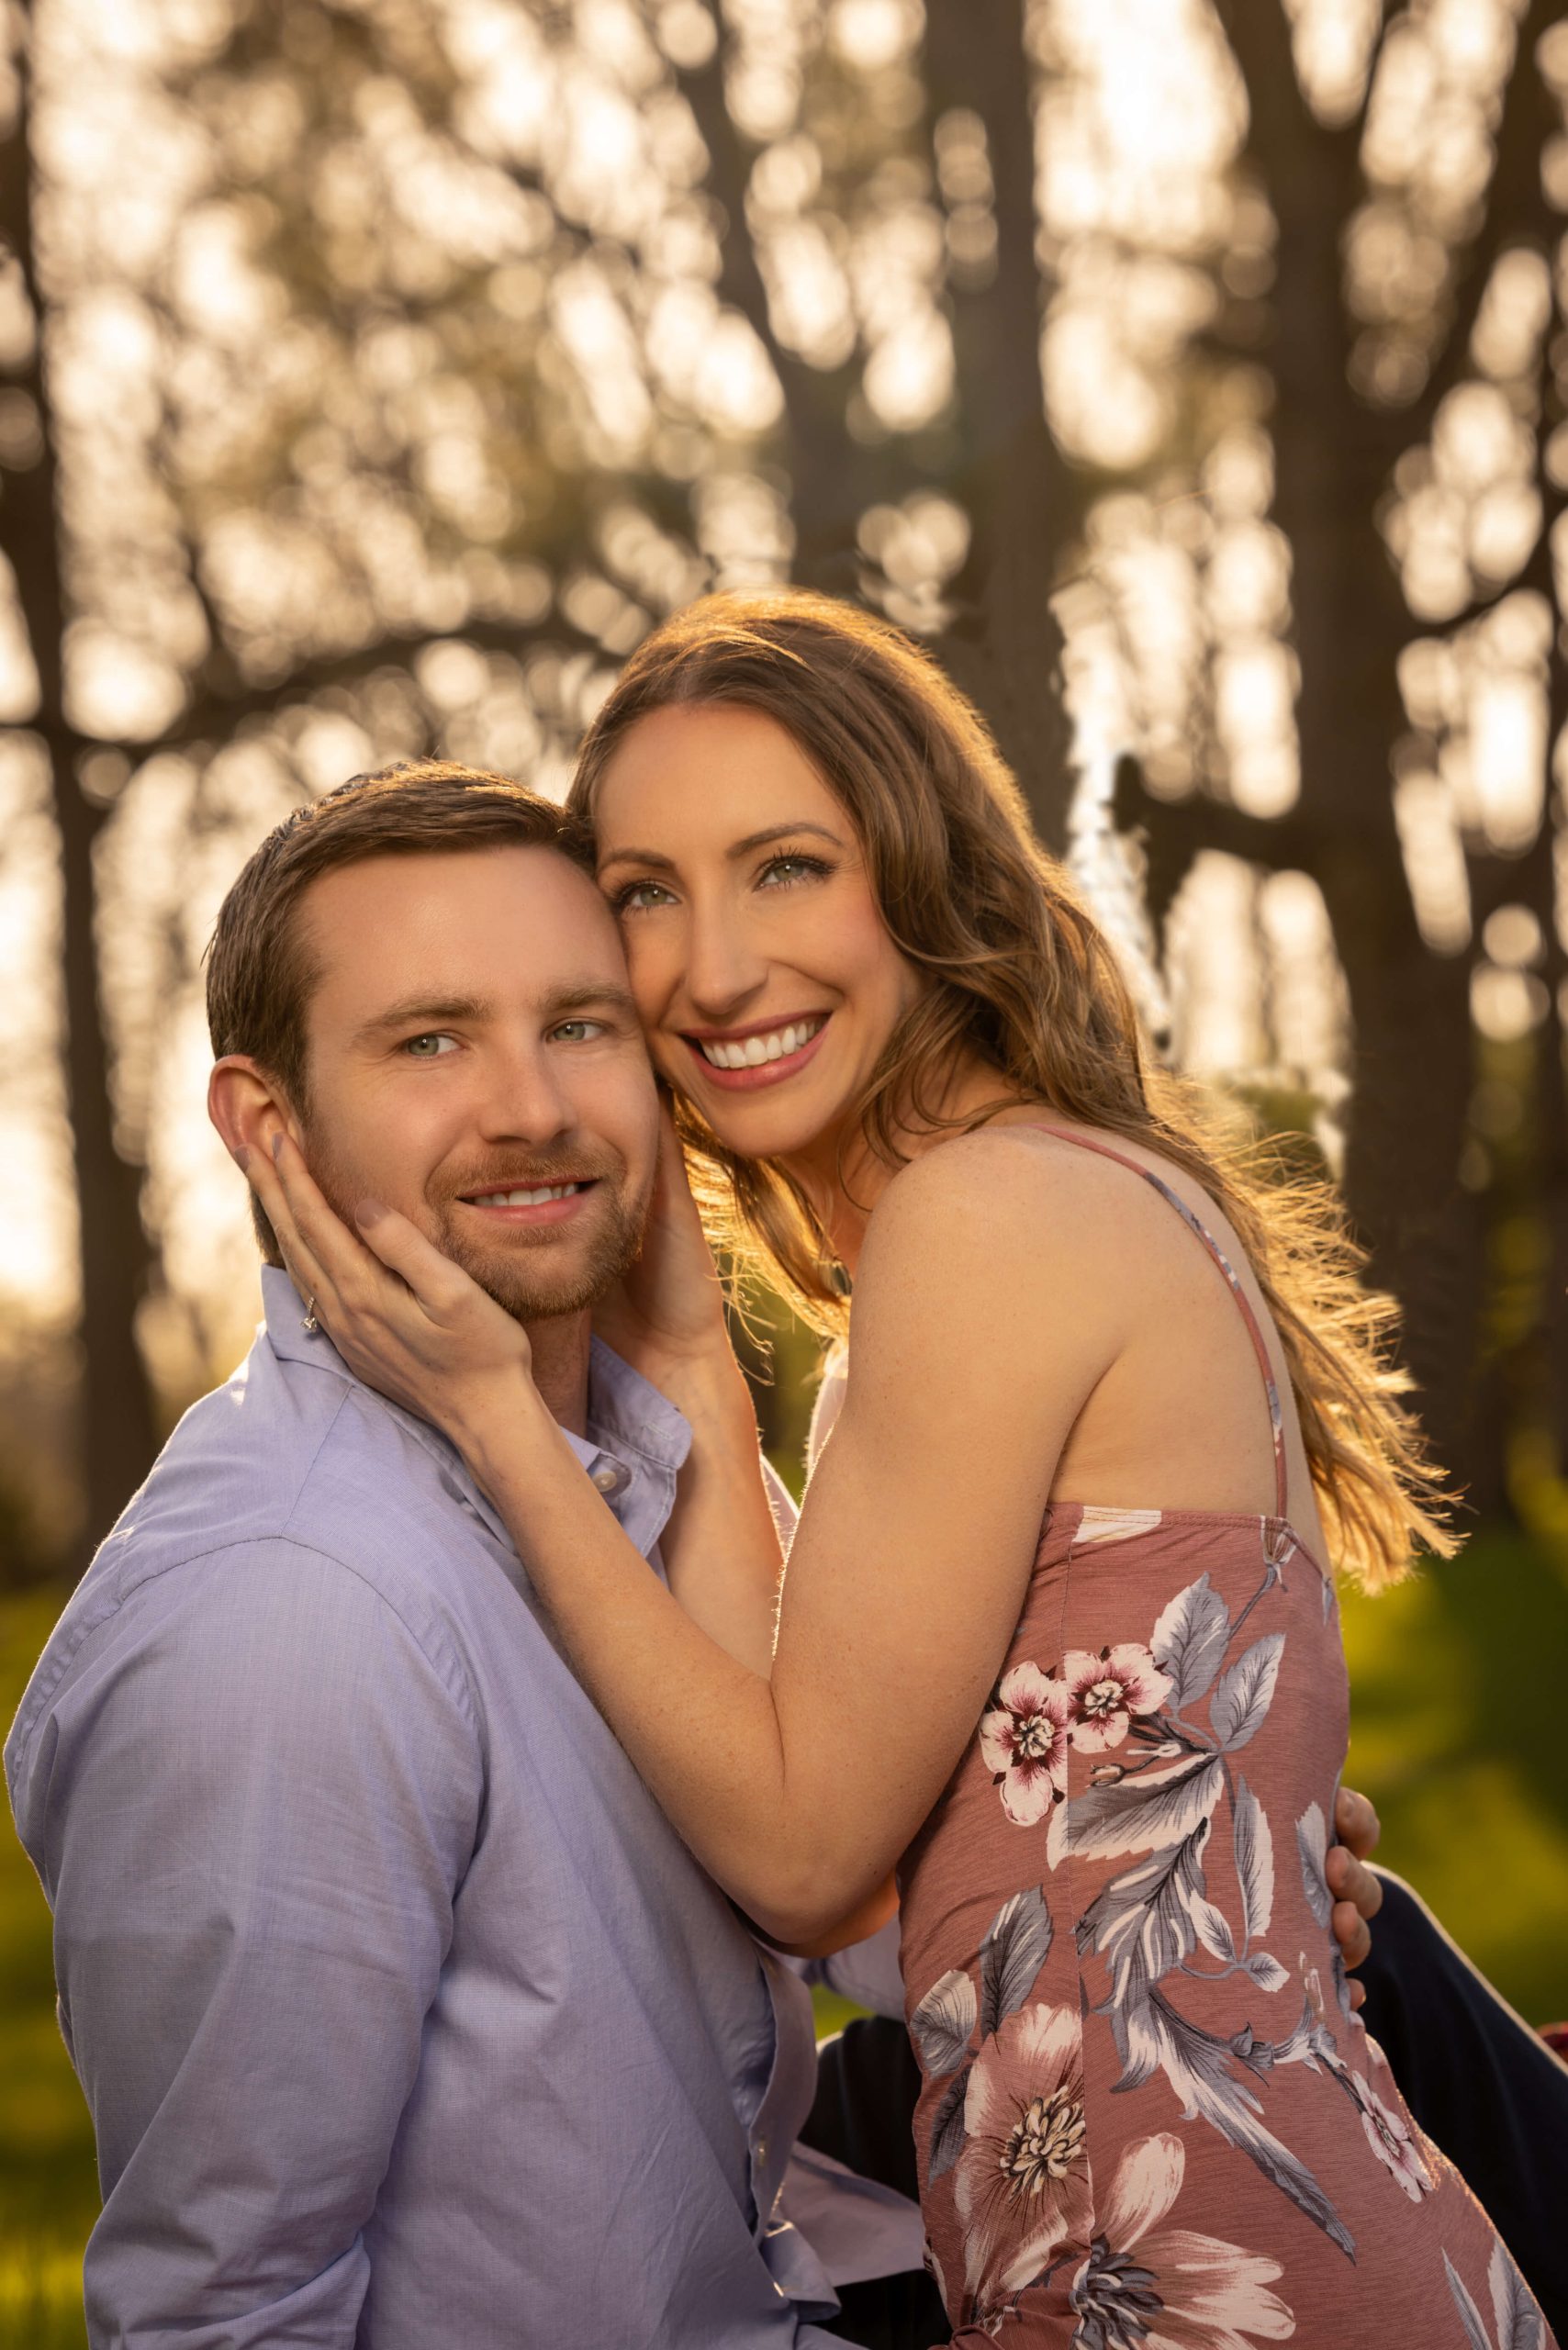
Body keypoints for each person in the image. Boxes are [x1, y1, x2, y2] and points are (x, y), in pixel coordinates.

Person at [248, 593, 1562, 2347]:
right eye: (645, 894)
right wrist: (704, 1371)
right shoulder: (1000, 1209)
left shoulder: (987, 1216)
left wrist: (499, 1417)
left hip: (1232, 2290)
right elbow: (867, 1882)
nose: (711, 969)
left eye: (786, 866)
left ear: (925, 877)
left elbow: (793, 1858)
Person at [6, 763, 932, 2348]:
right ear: (266, 1124)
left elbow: (854, 1906)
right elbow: (223, 2320)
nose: (534, 1109)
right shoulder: (287, 1617)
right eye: (431, 1041)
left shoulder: (611, 1455)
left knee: (1353, 1961)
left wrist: (1146, 1857)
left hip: (791, 2263)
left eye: (581, 1025)